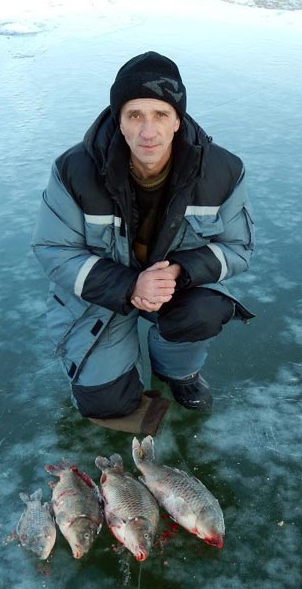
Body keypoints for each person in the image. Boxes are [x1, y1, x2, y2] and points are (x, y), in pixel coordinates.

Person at [32, 51, 254, 435]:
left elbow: (237, 248)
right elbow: (54, 250)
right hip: (102, 294)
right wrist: (129, 285)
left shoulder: (222, 171)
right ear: (118, 121)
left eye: (160, 115)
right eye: (135, 115)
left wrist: (181, 272)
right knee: (106, 404)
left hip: (173, 291)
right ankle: (117, 360)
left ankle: (175, 368)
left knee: (203, 310)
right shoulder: (74, 170)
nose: (147, 132)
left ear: (177, 120)